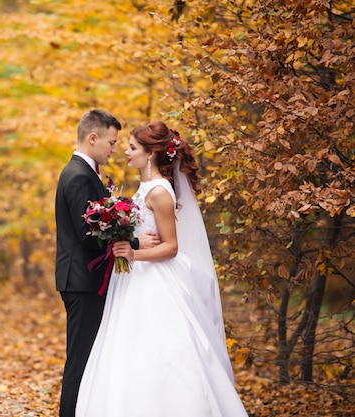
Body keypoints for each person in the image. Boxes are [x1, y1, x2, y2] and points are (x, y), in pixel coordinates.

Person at [75, 121, 249, 416]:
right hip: (132, 280)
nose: (126, 153)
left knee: (160, 349)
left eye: (132, 148)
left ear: (151, 154)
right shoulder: (144, 187)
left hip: (154, 280)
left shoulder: (160, 192)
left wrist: (133, 253)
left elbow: (171, 247)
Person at [55, 110, 159, 417]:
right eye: (112, 142)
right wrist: (135, 243)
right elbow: (88, 234)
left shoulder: (85, 173)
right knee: (80, 360)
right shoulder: (78, 176)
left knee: (89, 358)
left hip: (87, 279)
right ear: (93, 138)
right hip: (83, 281)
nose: (115, 149)